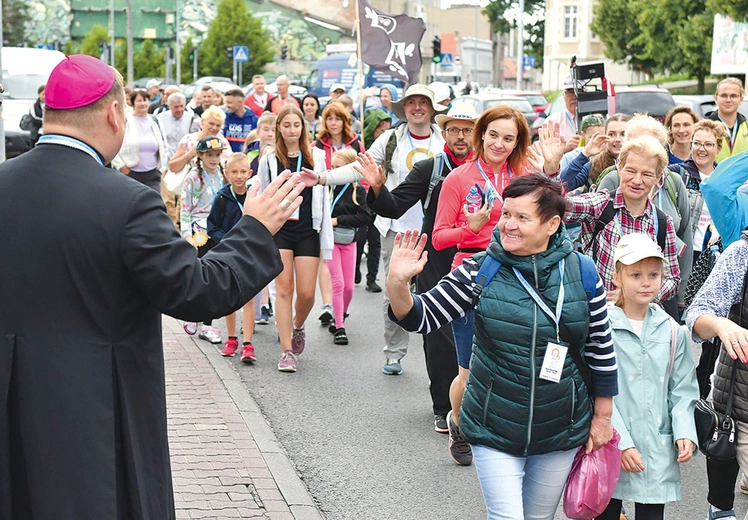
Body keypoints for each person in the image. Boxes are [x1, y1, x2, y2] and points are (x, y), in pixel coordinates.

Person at [0, 53, 304, 520]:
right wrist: (255, 230)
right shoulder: (127, 203)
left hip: (14, 405)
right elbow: (201, 291)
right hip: (95, 412)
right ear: (113, 113)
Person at [386, 173, 617, 520]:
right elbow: (421, 317)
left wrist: (602, 417)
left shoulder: (583, 272)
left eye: (522, 218)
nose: (508, 224)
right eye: (506, 214)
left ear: (552, 224)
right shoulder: (481, 270)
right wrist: (398, 284)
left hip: (560, 426)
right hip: (493, 423)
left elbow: (601, 348)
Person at [431, 106, 563, 464]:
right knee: (468, 369)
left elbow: (556, 215)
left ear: (518, 142)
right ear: (481, 135)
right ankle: (458, 421)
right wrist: (470, 228)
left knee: (517, 364)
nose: (500, 144)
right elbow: (440, 238)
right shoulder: (458, 179)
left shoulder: (524, 176)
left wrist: (551, 168)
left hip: (521, 276)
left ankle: (507, 436)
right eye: (494, 135)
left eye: (509, 138)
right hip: (474, 274)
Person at [303, 84, 448, 375]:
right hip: (397, 229)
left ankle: (441, 356)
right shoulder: (391, 138)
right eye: (411, 103)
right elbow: (361, 167)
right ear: (404, 109)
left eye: (423, 102)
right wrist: (321, 178)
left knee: (439, 292)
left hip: (436, 229)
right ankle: (394, 352)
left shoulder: (445, 140)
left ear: (433, 110)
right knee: (394, 293)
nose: (417, 107)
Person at [355, 101, 477, 434]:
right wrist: (377, 187)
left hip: (480, 257)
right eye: (454, 129)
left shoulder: (492, 170)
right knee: (439, 335)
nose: (461, 137)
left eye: (468, 130)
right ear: (445, 133)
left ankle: (476, 404)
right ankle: (443, 406)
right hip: (436, 257)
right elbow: (393, 206)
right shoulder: (430, 168)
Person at [596, 233, 698, 520]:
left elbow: (683, 389)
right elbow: (595, 388)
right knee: (605, 511)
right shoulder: (602, 326)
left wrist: (684, 431)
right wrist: (621, 442)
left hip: (656, 447)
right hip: (610, 443)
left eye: (653, 274)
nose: (645, 282)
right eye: (636, 274)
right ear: (617, 276)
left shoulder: (672, 330)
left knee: (652, 513)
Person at [565, 136, 681, 309]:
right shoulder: (601, 205)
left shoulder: (663, 222)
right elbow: (557, 208)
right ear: (619, 168)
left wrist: (634, 296)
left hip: (642, 320)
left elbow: (672, 278)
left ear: (658, 178)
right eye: (631, 171)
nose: (636, 180)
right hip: (600, 316)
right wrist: (551, 171)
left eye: (647, 174)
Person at [258, 105, 332, 373]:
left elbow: (324, 194)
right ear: (278, 127)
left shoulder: (317, 158)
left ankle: (298, 325)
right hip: (280, 229)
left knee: (306, 293)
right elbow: (263, 193)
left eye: (296, 125)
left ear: (304, 128)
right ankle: (286, 350)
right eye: (286, 125)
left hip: (307, 229)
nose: (291, 130)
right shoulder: (269, 159)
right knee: (284, 288)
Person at [594, 116, 693, 314]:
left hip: (658, 297)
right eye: (638, 143)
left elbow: (686, 234)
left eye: (652, 144)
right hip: (612, 300)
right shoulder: (613, 179)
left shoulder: (673, 182)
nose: (645, 150)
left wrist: (681, 294)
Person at [684, 230, 748, 520]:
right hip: (738, 410)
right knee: (722, 505)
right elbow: (698, 314)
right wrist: (722, 325)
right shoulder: (741, 254)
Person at [208, 153, 259, 362]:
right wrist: (227, 239)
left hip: (248, 252)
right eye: (234, 172)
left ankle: (247, 343)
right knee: (231, 298)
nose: (239, 176)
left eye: (243, 172)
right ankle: (231, 339)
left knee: (248, 300)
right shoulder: (221, 197)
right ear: (226, 173)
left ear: (250, 173)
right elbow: (212, 227)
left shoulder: (254, 196)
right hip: (229, 253)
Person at [180, 136, 227, 343]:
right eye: (209, 155)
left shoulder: (223, 175)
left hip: (218, 230)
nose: (214, 159)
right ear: (200, 156)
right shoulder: (192, 177)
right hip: (199, 231)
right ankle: (191, 315)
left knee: (215, 279)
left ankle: (207, 325)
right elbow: (185, 207)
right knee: (198, 276)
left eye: (217, 155)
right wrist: (186, 235)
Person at [326, 149, 371, 344]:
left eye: (339, 168)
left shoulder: (358, 190)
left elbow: (365, 216)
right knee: (338, 284)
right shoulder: (327, 188)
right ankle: (339, 327)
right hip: (330, 242)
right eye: (333, 168)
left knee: (350, 288)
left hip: (349, 240)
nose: (335, 172)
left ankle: (341, 314)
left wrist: (339, 220)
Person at [111, 89, 169, 192]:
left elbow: (164, 145)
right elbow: (113, 144)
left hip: (152, 174)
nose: (142, 103)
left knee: (154, 202)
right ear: (133, 103)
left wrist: (161, 168)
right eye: (139, 101)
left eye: (145, 100)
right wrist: (121, 166)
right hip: (131, 173)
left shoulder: (155, 121)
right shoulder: (126, 121)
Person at [560, 113, 630, 192]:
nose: (617, 139)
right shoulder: (595, 164)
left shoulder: (641, 163)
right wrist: (585, 154)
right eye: (611, 134)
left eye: (623, 134)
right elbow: (564, 184)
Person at [168, 106, 231, 177]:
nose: (214, 128)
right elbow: (172, 167)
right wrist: (189, 154)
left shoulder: (223, 143)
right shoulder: (189, 140)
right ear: (202, 122)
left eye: (218, 125)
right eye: (211, 123)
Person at [707, 77, 748, 162]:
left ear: (741, 99)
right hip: (715, 175)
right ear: (716, 98)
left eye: (733, 96)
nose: (728, 100)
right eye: (724, 95)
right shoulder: (705, 127)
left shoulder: (746, 127)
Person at [546, 75, 583, 152]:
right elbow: (544, 154)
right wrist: (564, 148)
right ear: (563, 96)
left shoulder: (595, 119)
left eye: (578, 92)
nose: (574, 97)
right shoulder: (552, 121)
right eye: (570, 93)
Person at [223, 88, 258, 153]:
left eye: (229, 102)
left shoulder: (254, 121)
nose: (227, 105)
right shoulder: (224, 118)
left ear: (240, 103)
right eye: (226, 102)